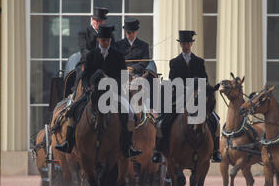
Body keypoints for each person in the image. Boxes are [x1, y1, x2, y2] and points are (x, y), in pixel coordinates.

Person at [55, 24, 141, 158]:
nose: (105, 42)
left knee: (130, 113)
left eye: (107, 40)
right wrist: (88, 86)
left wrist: (112, 83)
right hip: (93, 92)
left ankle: (128, 145)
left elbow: (122, 76)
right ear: (98, 40)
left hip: (113, 94)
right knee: (71, 111)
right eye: (102, 40)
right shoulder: (91, 55)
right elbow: (85, 75)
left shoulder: (117, 56)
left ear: (110, 41)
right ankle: (69, 142)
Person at [152, 30, 222, 163]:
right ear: (180, 45)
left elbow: (204, 80)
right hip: (179, 97)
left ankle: (215, 151)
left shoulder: (199, 61)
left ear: (191, 44)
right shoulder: (174, 62)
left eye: (187, 43)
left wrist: (203, 89)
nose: (185, 46)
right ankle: (158, 151)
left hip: (197, 98)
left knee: (215, 120)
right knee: (162, 122)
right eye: (183, 44)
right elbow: (173, 80)